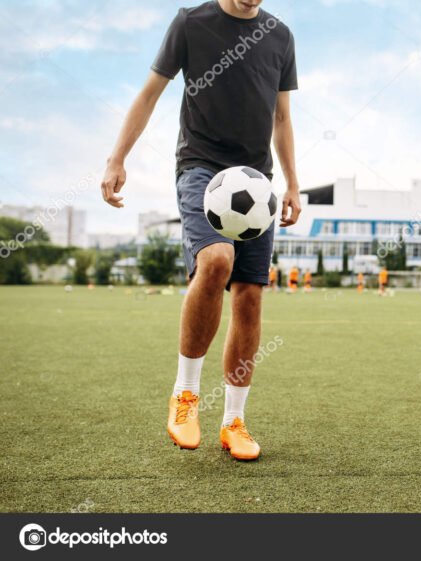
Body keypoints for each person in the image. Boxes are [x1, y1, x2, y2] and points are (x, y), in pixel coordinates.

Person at [100, 0, 301, 460]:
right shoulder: (191, 22)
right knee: (214, 260)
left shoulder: (280, 35)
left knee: (249, 296)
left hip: (256, 183)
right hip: (202, 169)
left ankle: (234, 422)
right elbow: (150, 93)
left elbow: (282, 116)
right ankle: (186, 394)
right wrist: (117, 158)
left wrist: (291, 183)